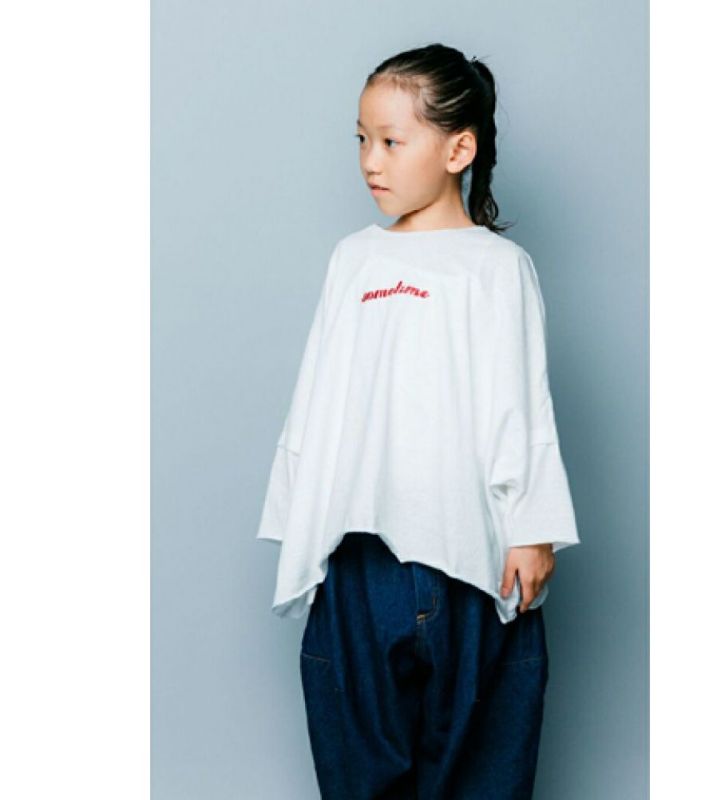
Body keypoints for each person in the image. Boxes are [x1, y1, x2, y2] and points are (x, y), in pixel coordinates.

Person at [256, 42, 580, 800]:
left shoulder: (495, 267)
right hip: (359, 558)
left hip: (469, 556)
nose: (371, 161)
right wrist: (301, 522)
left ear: (458, 149)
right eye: (361, 140)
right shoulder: (354, 261)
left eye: (392, 142)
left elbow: (521, 401)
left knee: (481, 763)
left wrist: (532, 526)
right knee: (360, 766)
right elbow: (319, 395)